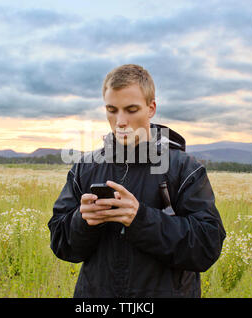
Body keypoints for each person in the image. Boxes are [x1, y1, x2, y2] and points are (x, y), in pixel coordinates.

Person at [48, 64, 226, 297]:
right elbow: (62, 245)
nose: (120, 121)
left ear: (151, 108)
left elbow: (207, 247)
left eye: (131, 109)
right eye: (112, 110)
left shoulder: (185, 169)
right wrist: (82, 221)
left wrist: (140, 218)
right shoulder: (85, 168)